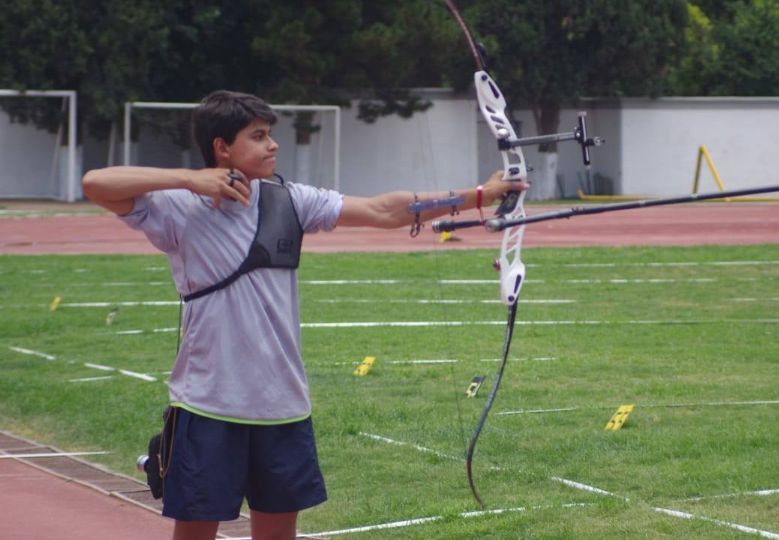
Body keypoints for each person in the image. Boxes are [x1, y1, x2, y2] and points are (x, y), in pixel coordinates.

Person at [82, 90, 521, 540]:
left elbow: (381, 210)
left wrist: (479, 194)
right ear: (222, 147)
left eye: (270, 135)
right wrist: (192, 180)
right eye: (258, 136)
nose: (273, 145)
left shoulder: (291, 200)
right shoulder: (178, 208)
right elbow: (96, 182)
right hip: (208, 406)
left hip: (283, 407)